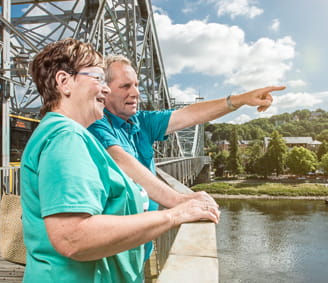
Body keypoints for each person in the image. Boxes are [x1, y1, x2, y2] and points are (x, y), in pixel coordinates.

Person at [20, 38, 220, 282]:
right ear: (64, 82)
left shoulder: (64, 133)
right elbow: (73, 238)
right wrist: (176, 213)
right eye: (97, 77)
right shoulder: (66, 136)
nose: (105, 89)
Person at [88, 55, 285, 260]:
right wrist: (179, 201)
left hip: (138, 254)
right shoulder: (96, 122)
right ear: (104, 89)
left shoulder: (140, 122)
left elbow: (190, 115)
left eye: (137, 84)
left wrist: (240, 100)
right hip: (111, 258)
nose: (136, 92)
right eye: (125, 86)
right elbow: (119, 160)